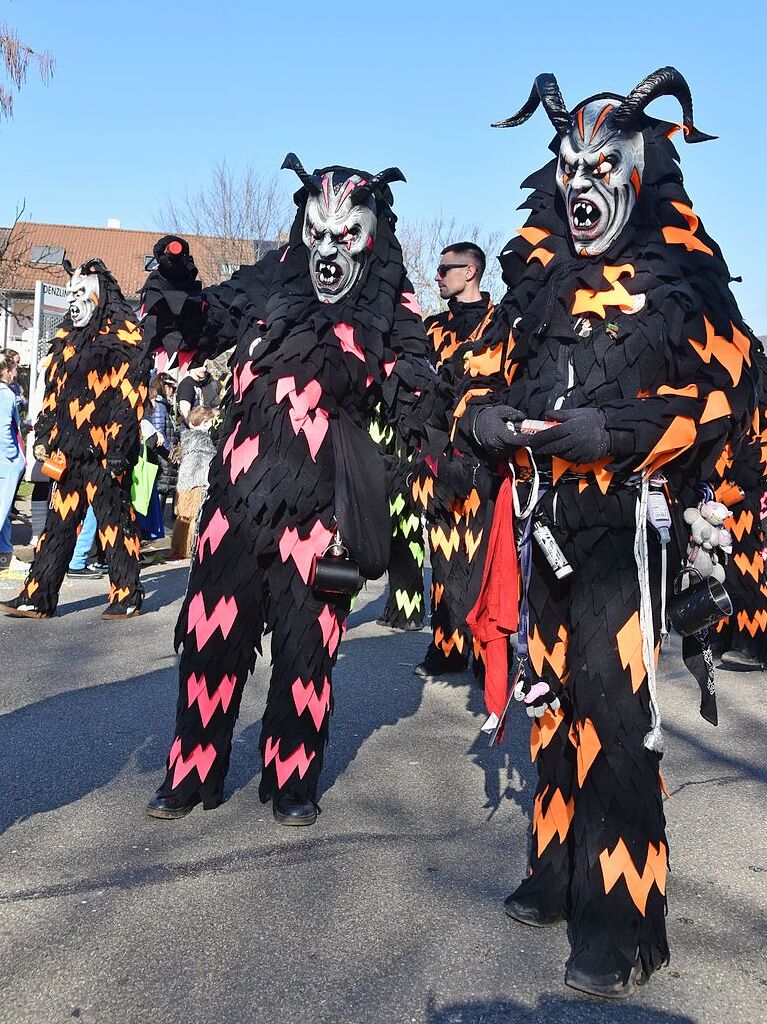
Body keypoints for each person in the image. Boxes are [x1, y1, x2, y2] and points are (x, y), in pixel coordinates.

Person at [461, 69, 760, 998]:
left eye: (603, 164)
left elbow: (729, 396)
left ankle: (623, 917)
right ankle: (555, 873)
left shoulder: (680, 279)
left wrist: (623, 434)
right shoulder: (534, 284)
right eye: (567, 164)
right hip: (541, 520)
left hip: (621, 539)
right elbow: (474, 375)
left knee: (617, 719)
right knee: (550, 705)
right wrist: (485, 420)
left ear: (641, 170)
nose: (581, 182)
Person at [141, 157, 446, 826]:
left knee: (307, 654)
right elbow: (202, 322)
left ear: (371, 234)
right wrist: (176, 282)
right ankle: (193, 772)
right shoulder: (272, 275)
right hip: (237, 499)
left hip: (319, 514)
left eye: (346, 235)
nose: (328, 249)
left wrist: (427, 445)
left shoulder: (391, 300)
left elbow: (416, 385)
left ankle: (291, 779)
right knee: (211, 640)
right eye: (318, 233)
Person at [0, 259, 150, 620]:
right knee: (58, 526)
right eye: (70, 294)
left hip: (103, 454)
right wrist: (46, 429)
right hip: (70, 454)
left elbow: (130, 396)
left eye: (80, 293)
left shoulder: (125, 337)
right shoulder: (67, 340)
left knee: (114, 523)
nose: (73, 301)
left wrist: (118, 445)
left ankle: (127, 593)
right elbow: (56, 390)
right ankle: (38, 595)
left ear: (99, 296)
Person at [411, 244, 496, 691]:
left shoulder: (500, 323)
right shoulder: (432, 329)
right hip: (438, 459)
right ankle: (446, 648)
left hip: (484, 462)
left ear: (471, 271)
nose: (438, 275)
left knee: (483, 559)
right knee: (443, 560)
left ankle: (486, 651)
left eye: (445, 269)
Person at [169, 406, 216, 559]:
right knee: (195, 516)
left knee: (183, 517)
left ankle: (179, 548)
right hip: (198, 480)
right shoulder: (203, 440)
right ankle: (191, 548)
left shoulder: (187, 438)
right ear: (204, 422)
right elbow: (208, 460)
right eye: (209, 421)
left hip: (184, 480)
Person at [0, 352, 26, 570]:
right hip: (5, 461)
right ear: (6, 371)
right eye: (14, 369)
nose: (16, 373)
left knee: (5, 510)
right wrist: (13, 456)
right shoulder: (6, 394)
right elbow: (3, 428)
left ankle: (4, 554)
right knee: (1, 510)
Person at [176, 362, 220, 427]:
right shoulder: (187, 384)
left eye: (205, 366)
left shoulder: (197, 384)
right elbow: (184, 410)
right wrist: (193, 427)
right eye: (201, 366)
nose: (204, 369)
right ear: (192, 367)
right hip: (191, 430)